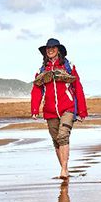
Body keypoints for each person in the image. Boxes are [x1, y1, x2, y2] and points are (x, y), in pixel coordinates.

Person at [31, 38, 88, 179]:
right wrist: (34, 109)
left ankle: (64, 169)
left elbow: (77, 87)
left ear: (58, 50)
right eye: (48, 48)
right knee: (56, 140)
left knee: (63, 136)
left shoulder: (68, 66)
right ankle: (64, 168)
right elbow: (37, 90)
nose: (50, 50)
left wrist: (82, 110)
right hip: (50, 110)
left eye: (53, 48)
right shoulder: (42, 70)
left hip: (68, 107)